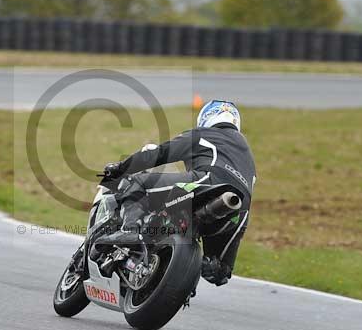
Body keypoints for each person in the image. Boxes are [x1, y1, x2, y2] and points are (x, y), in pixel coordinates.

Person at [98, 100, 256, 286]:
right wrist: (222, 267)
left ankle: (129, 231)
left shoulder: (203, 134)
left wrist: (121, 168)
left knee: (136, 183)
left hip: (206, 182)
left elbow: (160, 153)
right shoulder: (249, 158)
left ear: (206, 117)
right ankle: (190, 277)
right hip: (238, 214)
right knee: (218, 270)